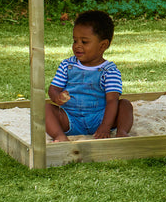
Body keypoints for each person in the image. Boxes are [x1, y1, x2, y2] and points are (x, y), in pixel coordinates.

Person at [44, 10, 133, 141]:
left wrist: (105, 126)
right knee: (44, 108)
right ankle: (59, 135)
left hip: (101, 117)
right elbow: (53, 89)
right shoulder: (67, 65)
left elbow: (112, 100)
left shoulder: (109, 71)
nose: (77, 46)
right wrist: (57, 97)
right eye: (75, 41)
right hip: (70, 118)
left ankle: (122, 132)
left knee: (124, 105)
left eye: (84, 42)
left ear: (103, 45)